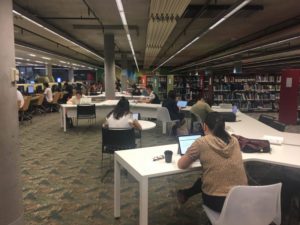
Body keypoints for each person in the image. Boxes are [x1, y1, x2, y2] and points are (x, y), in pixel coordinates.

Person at [177, 112, 248, 212]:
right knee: (212, 175)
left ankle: (185, 194)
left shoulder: (201, 142)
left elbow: (181, 165)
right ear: (224, 126)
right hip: (243, 197)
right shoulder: (234, 140)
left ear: (204, 126)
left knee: (208, 177)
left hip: (217, 201)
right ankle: (186, 194)